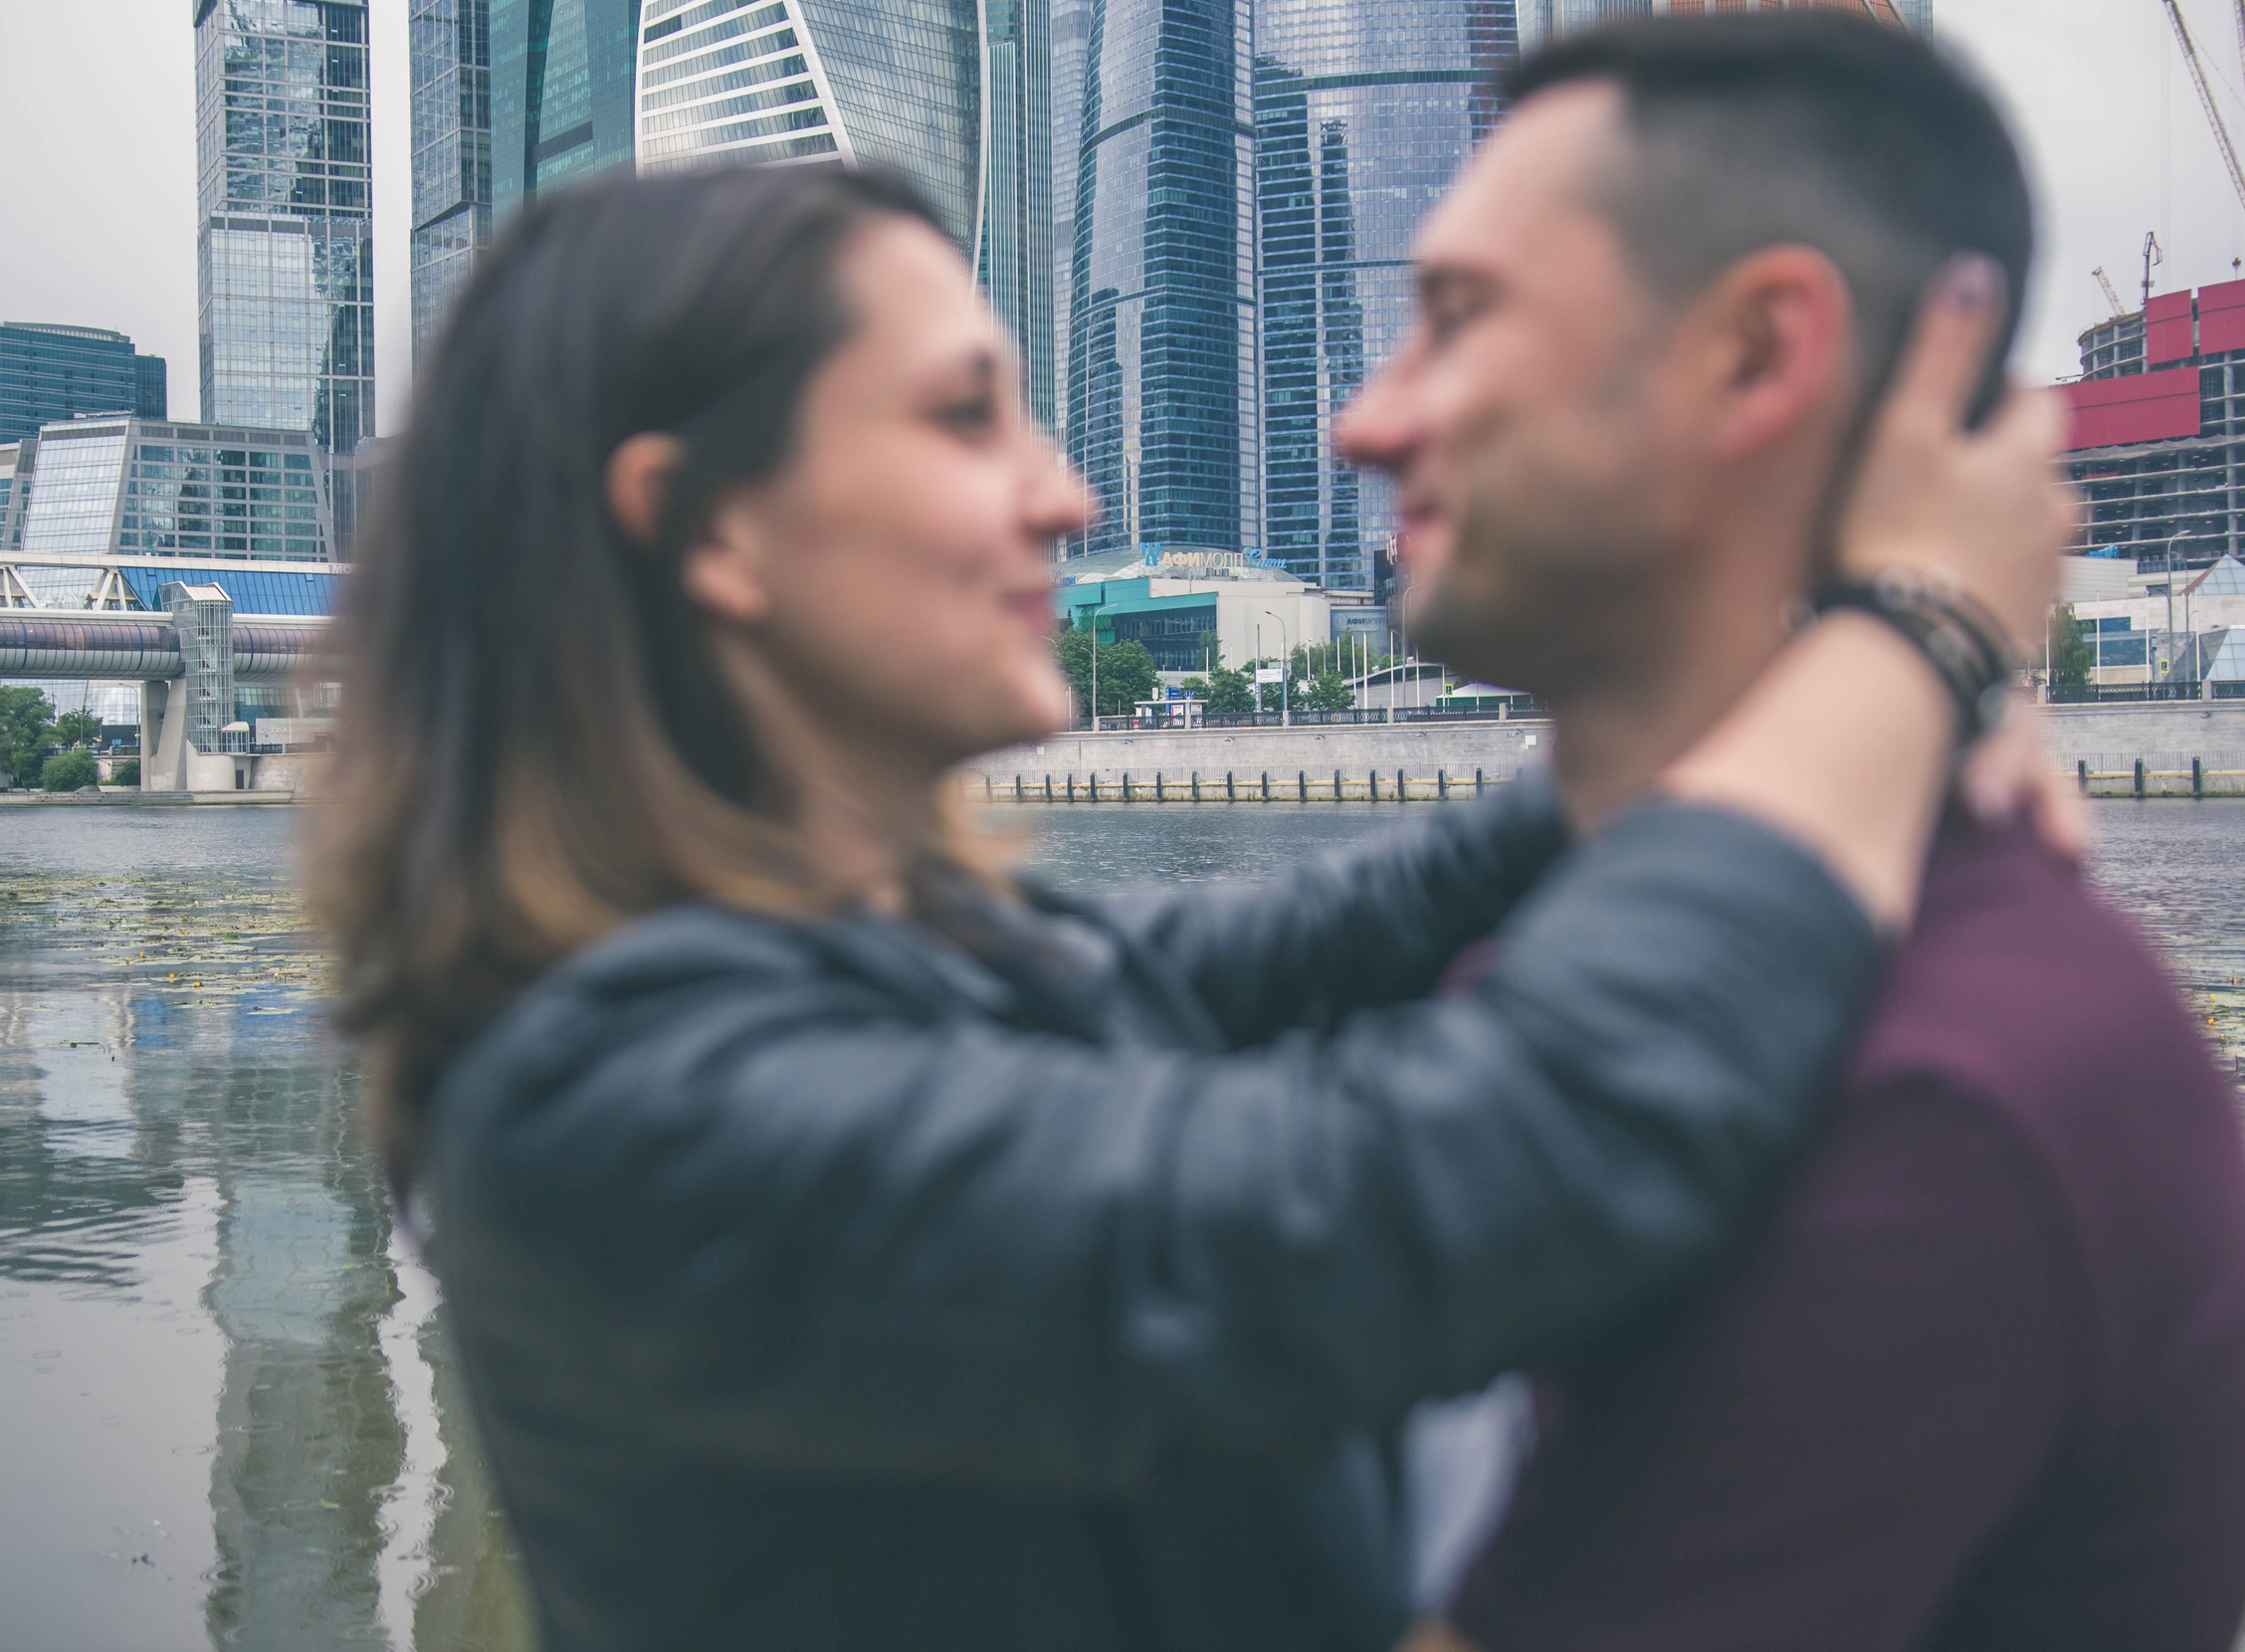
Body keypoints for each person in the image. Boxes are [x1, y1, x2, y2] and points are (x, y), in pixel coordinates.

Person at [311, 160, 2066, 1651]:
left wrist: (1764, 720)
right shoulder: (611, 1112)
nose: (1062, 494)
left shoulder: (914, 950)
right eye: (961, 416)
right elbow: (1422, 1195)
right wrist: (1916, 638)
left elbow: (1310, 946)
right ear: (705, 529)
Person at [1341, 12, 2245, 1652]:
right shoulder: (1630, 939)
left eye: (1459, 319)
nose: (1369, 420)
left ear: (1760, 356)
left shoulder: (1943, 1090)